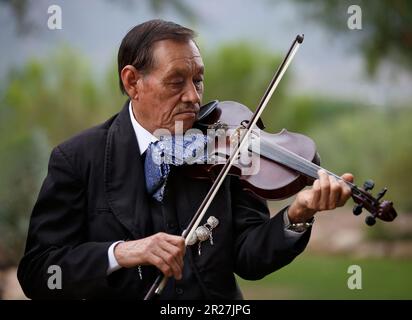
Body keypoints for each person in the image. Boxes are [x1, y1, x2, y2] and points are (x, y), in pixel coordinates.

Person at [17, 19, 353, 299]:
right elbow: (39, 272)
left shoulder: (228, 150)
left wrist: (296, 216)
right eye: (176, 82)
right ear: (132, 81)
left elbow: (250, 257)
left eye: (198, 80)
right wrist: (120, 253)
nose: (193, 97)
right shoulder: (78, 158)